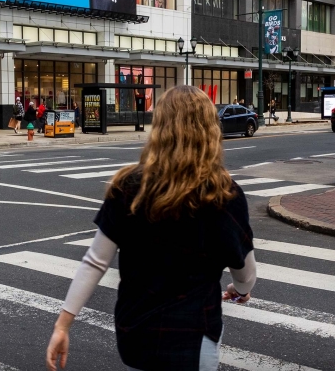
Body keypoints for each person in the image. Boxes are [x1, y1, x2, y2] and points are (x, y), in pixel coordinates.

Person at [45, 85, 256, 371]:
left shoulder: (129, 186)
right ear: (210, 129)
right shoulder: (222, 193)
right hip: (193, 338)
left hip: (137, 334)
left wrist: (63, 325)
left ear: (159, 127)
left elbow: (95, 261)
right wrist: (240, 289)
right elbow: (245, 270)